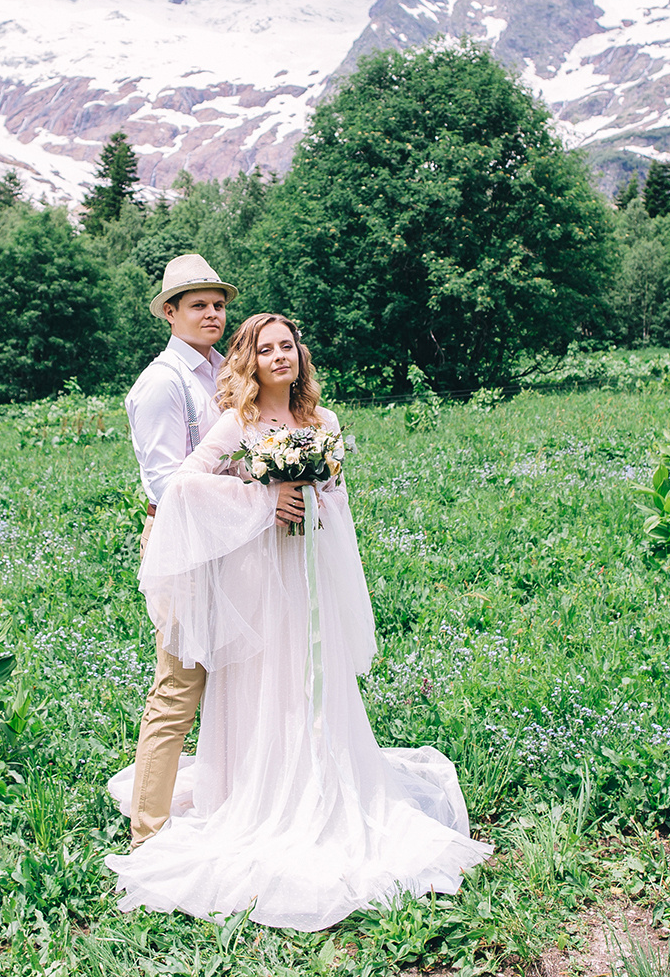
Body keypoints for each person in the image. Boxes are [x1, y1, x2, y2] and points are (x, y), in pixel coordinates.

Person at [107, 313, 490, 931]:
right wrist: (263, 499)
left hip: (309, 570)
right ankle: (262, 792)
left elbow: (337, 494)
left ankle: (325, 786)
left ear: (299, 355)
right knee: (269, 683)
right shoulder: (239, 422)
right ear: (250, 360)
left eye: (288, 346)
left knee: (314, 677)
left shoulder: (323, 423)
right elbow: (183, 486)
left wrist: (314, 498)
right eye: (266, 348)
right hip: (260, 576)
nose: (279, 355)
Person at [121, 256, 309, 850]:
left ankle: (242, 796)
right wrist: (261, 496)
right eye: (197, 305)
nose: (212, 314)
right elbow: (167, 485)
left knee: (238, 672)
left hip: (230, 540)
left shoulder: (217, 372)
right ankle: (148, 833)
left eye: (218, 304)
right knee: (179, 683)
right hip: (186, 544)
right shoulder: (162, 382)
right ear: (170, 313)